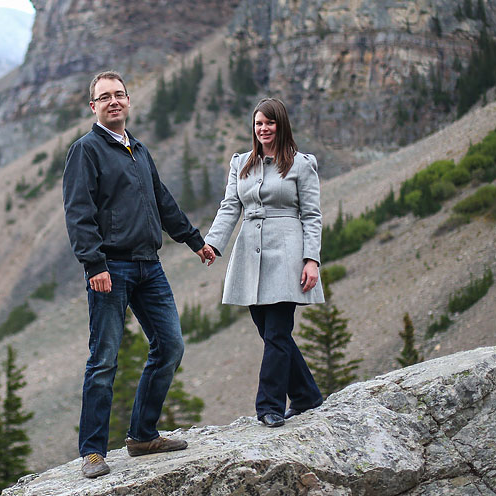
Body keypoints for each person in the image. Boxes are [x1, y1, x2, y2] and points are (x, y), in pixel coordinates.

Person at [62, 70, 217, 478]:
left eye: (119, 95)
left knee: (170, 346)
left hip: (150, 265)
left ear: (128, 101)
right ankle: (92, 452)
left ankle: (142, 436)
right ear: (93, 106)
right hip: (111, 268)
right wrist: (94, 264)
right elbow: (78, 212)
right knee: (104, 359)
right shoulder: (85, 150)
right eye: (105, 97)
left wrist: (194, 240)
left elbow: (162, 201)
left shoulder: (139, 150)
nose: (113, 101)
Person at [204, 97, 324, 428]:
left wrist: (311, 260)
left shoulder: (301, 164)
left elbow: (312, 215)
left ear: (281, 125)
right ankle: (306, 395)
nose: (263, 128)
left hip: (287, 252)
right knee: (270, 332)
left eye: (269, 123)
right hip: (250, 252)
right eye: (258, 123)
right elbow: (231, 205)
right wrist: (213, 243)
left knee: (277, 332)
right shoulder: (241, 163)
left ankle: (269, 406)